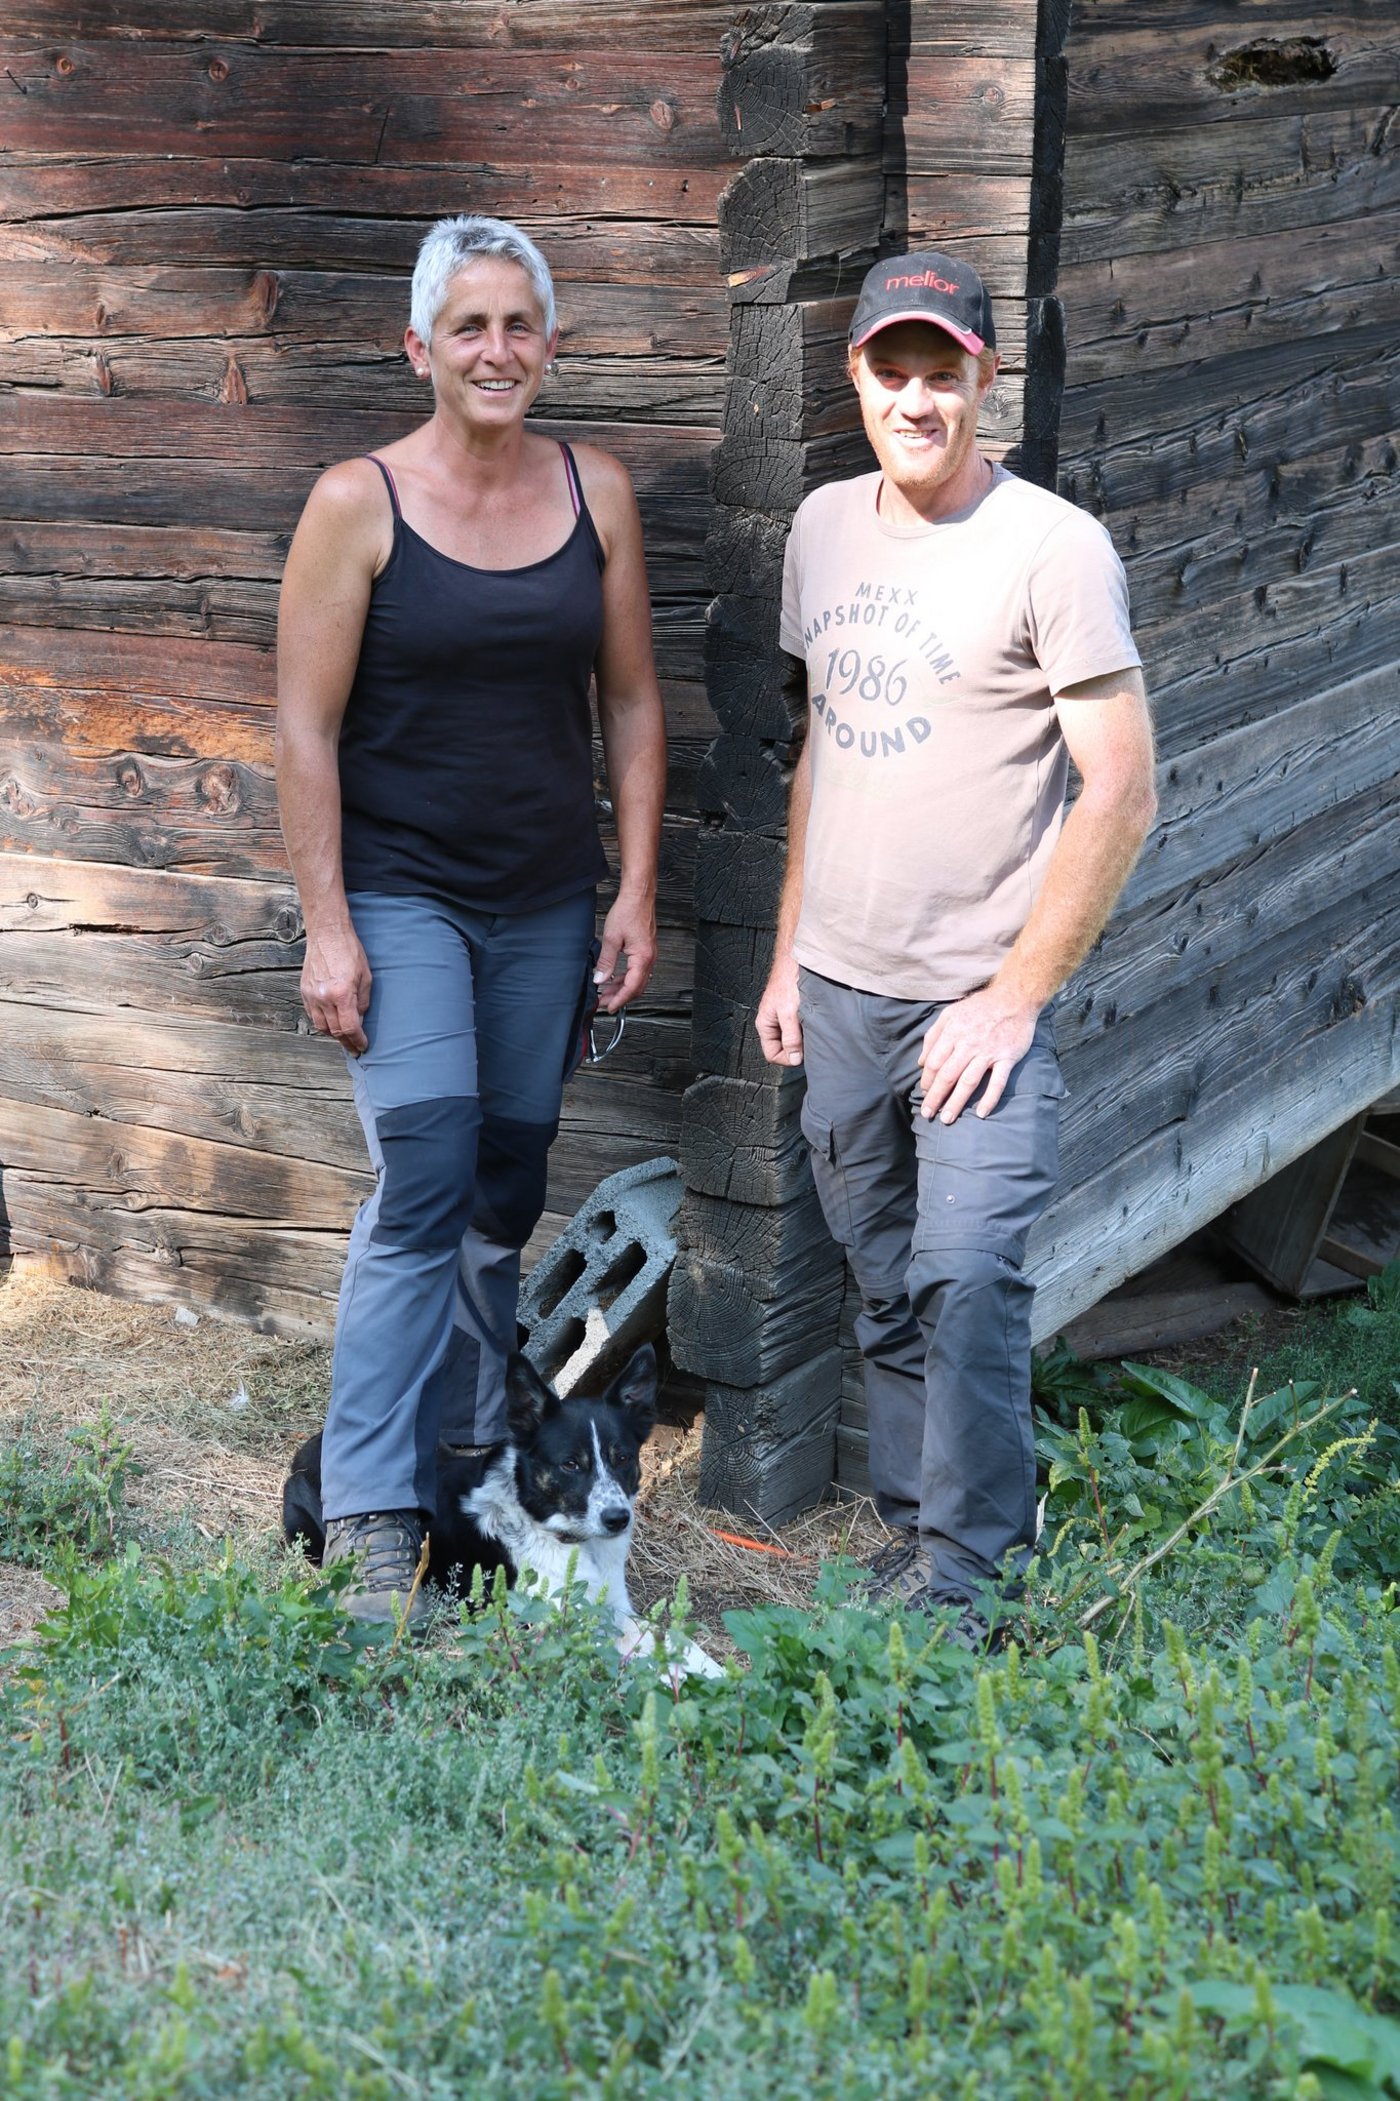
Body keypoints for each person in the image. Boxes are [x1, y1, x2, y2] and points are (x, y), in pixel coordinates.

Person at [756, 250, 1157, 1643]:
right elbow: (821, 747)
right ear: (854, 377)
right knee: (879, 1272)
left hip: (977, 998)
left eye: (944, 371)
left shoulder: (1054, 547)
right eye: (891, 369)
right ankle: (924, 1535)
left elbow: (1122, 785)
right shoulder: (820, 530)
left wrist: (1013, 998)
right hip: (840, 983)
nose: (916, 398)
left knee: (969, 1274)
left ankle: (980, 1585)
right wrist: (782, 952)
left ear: (987, 376)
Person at [276, 214, 666, 1625]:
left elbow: (628, 703)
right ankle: (377, 1516)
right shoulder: (356, 504)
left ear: (548, 345)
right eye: (468, 326)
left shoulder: (596, 494)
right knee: (426, 1172)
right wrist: (330, 924)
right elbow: (305, 732)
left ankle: (474, 1460)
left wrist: (633, 883)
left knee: (504, 1190)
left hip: (549, 898)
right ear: (421, 348)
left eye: (518, 325)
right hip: (404, 893)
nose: (495, 350)